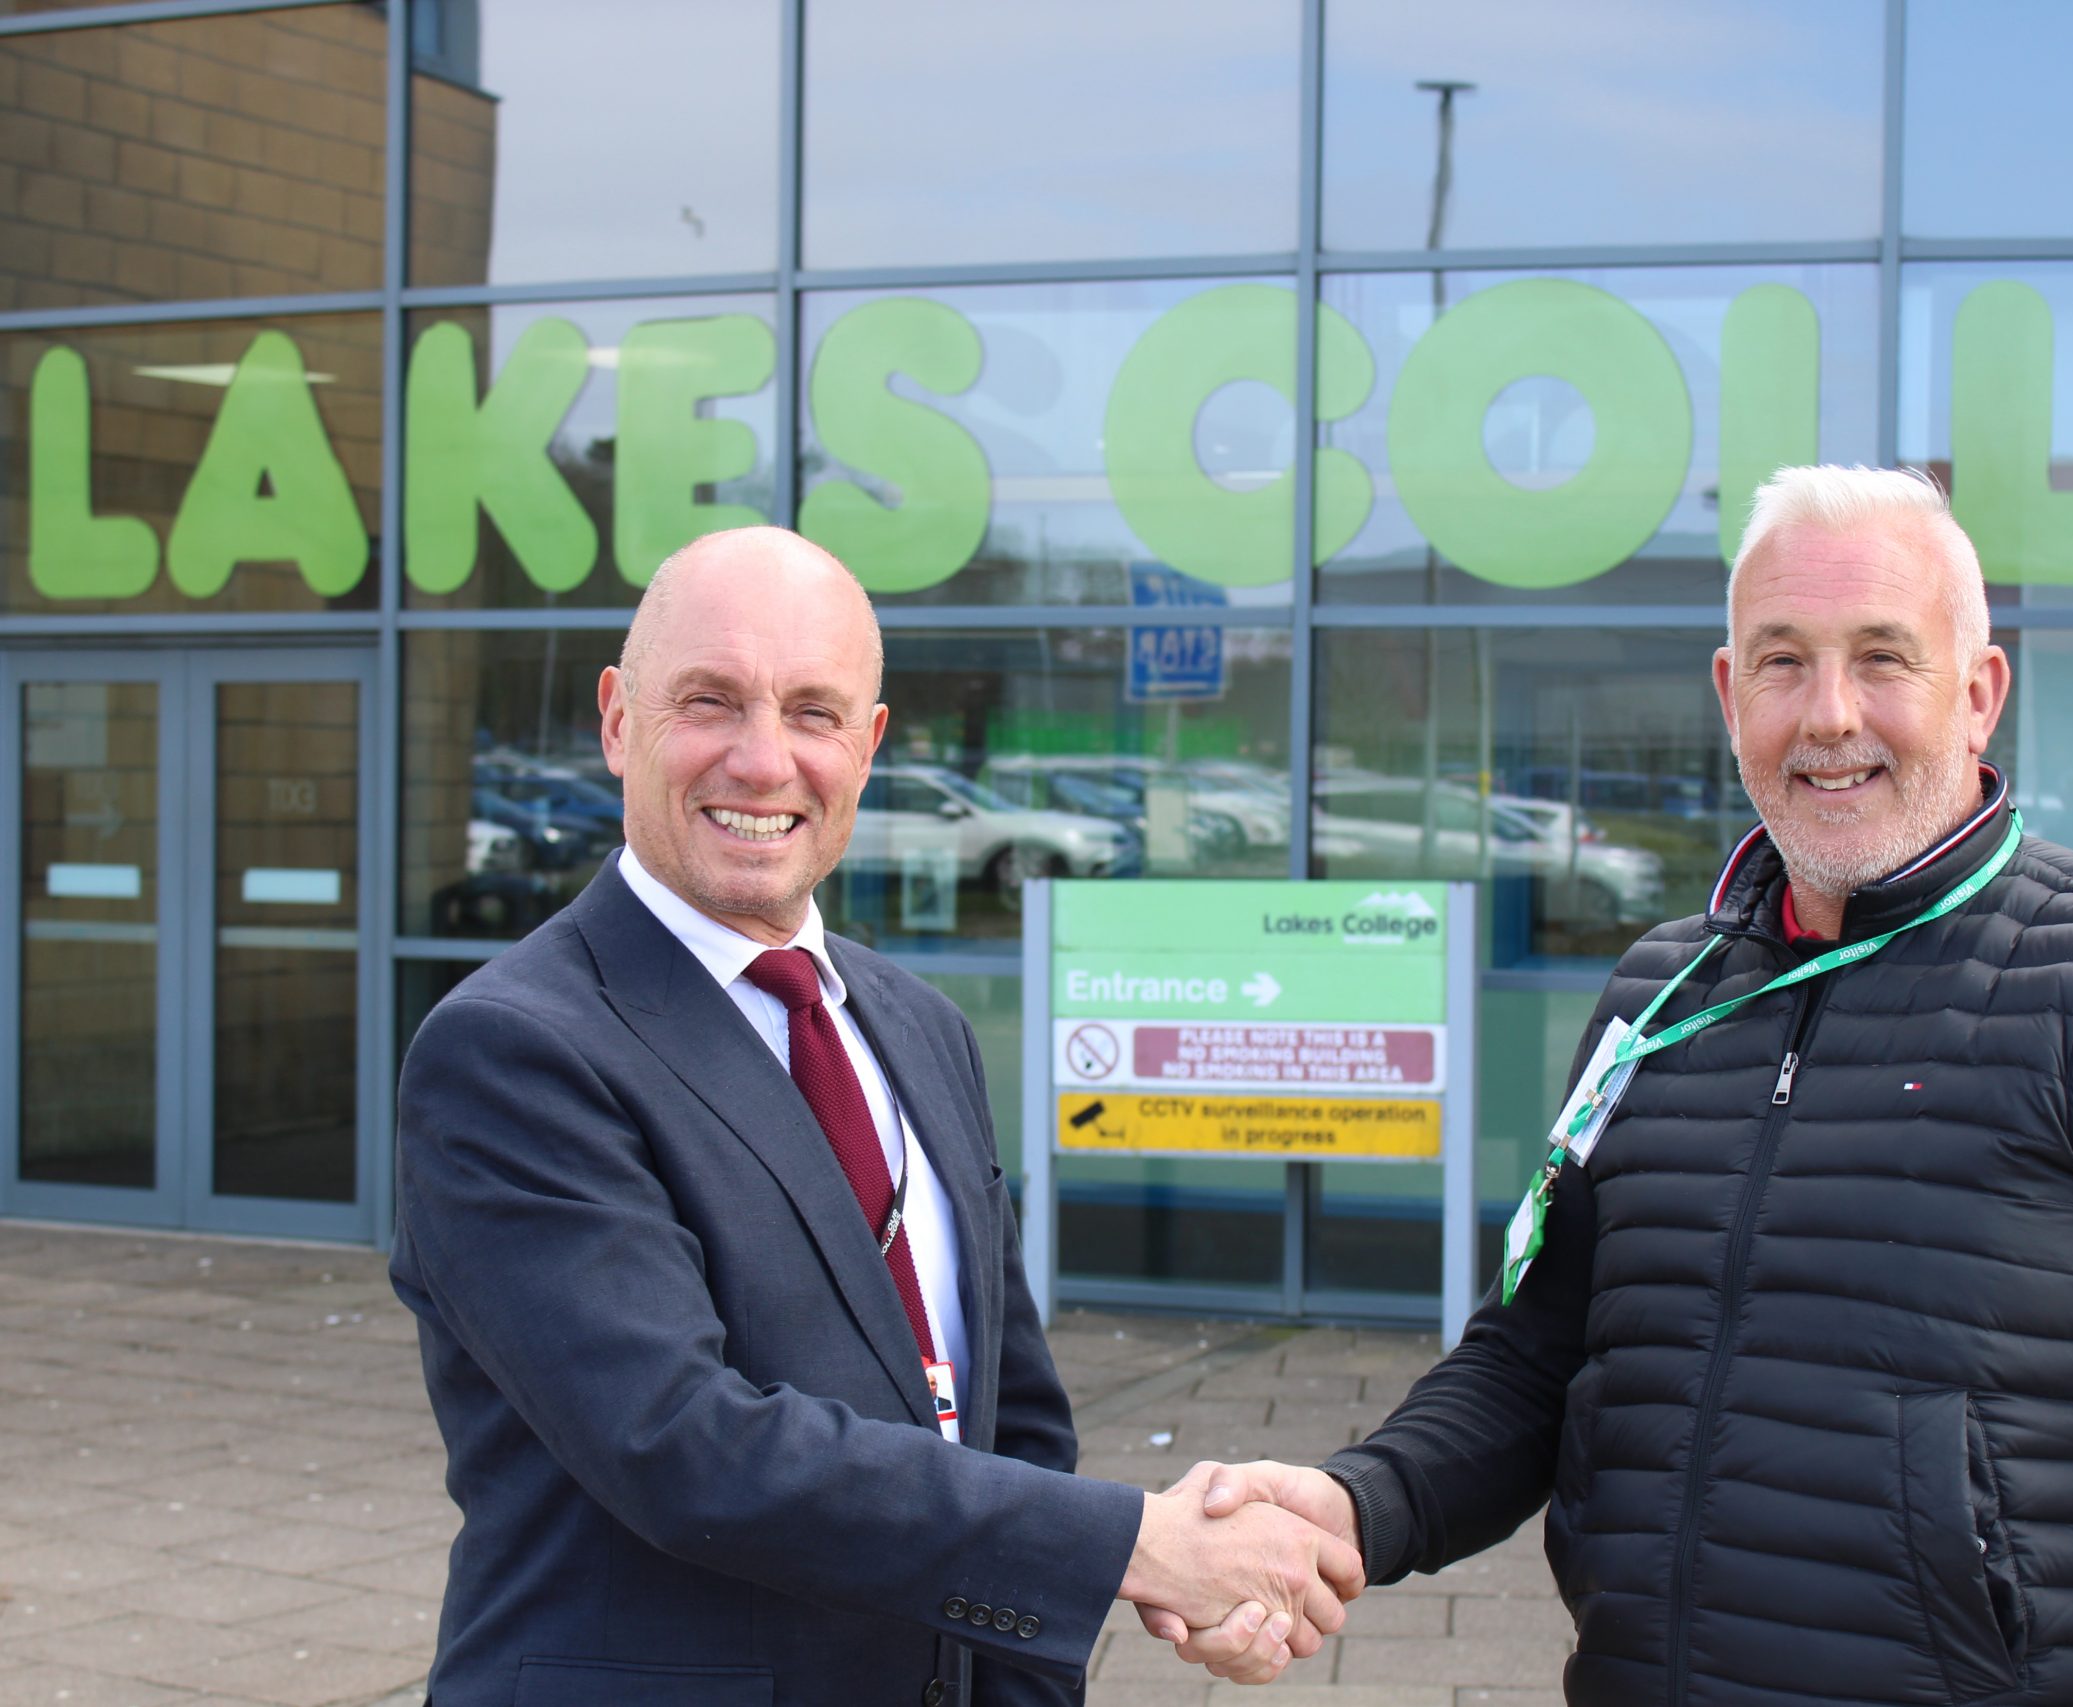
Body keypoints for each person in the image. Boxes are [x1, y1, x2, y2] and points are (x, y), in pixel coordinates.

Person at [1149, 467, 2073, 1705]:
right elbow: (1534, 1356)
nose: (1829, 716)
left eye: (1883, 658)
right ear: (1731, 696)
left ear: (1978, 694)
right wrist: (1354, 1505)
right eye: (1783, 661)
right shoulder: (1656, 1000)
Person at [391, 526, 1359, 1707]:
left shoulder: (917, 1029)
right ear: (614, 720)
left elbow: (1009, 1428)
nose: (762, 761)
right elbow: (684, 1446)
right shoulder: (514, 1050)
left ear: (870, 745)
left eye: (813, 713)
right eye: (711, 701)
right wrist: (1142, 1549)